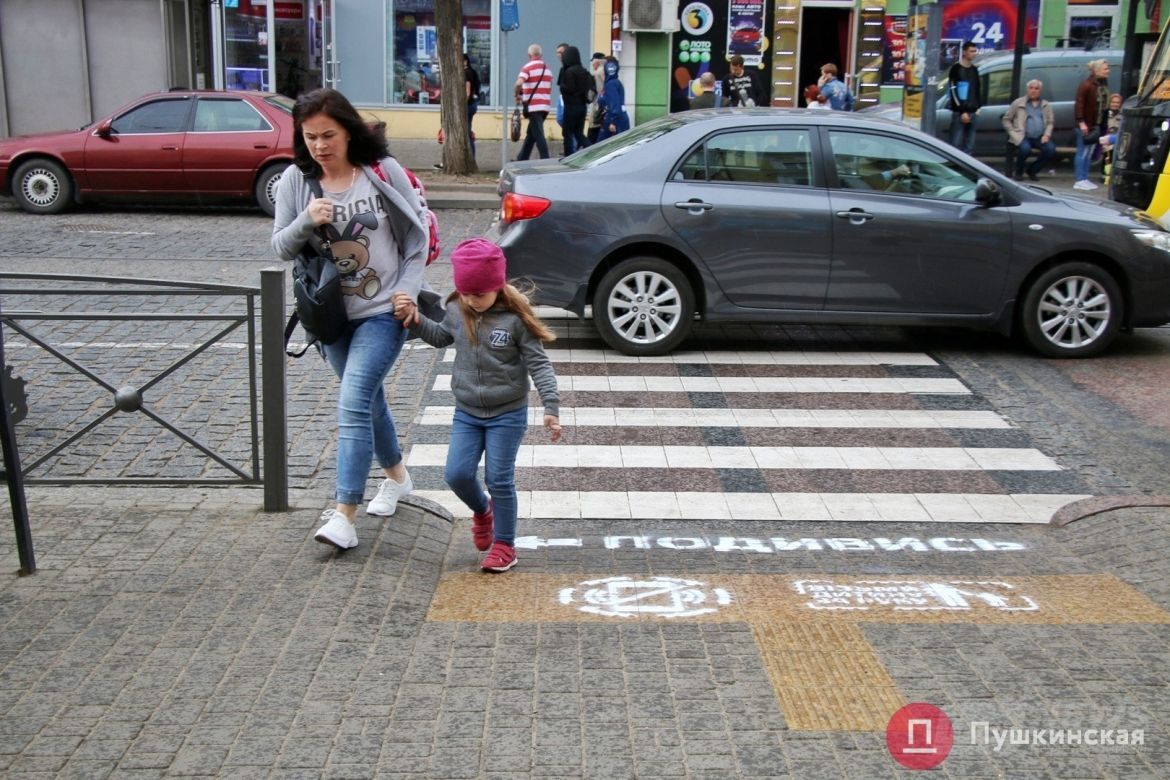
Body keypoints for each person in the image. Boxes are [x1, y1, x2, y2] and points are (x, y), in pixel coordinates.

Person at [271, 88, 430, 551]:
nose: (320, 145)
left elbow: (417, 239)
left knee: (354, 400)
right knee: (368, 401)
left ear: (348, 131)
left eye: (329, 135)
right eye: (310, 137)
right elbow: (280, 246)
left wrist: (408, 290)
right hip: (331, 319)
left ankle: (344, 514)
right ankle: (398, 478)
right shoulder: (296, 181)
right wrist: (306, 220)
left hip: (383, 312)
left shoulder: (381, 171)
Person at [391, 239, 561, 573]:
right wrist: (415, 320)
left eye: (479, 295)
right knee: (456, 474)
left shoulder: (515, 319)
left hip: (507, 413)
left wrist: (551, 408)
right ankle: (483, 510)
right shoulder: (458, 308)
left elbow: (539, 364)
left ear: (497, 286)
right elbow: (441, 337)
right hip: (467, 411)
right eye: (466, 293)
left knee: (499, 479)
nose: (472, 300)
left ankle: (505, 545)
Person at [1002, 79, 1055, 181]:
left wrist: (1047, 135)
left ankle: (1032, 170)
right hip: (1022, 135)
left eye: (1036, 88)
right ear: (1027, 89)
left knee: (1050, 150)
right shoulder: (1018, 103)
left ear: (1040, 90)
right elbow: (1006, 119)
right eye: (1031, 88)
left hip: (1040, 136)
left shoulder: (1046, 105)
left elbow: (1050, 122)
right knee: (1025, 149)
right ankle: (1019, 172)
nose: (1033, 91)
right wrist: (1013, 133)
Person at [1074, 58, 1111, 190]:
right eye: (1105, 69)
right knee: (1082, 152)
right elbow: (1079, 104)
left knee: (1089, 152)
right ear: (1096, 70)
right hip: (1086, 124)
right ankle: (1079, 179)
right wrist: (1081, 122)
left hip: (1096, 125)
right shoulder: (1087, 85)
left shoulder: (1102, 84)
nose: (1108, 71)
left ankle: (1085, 177)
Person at [514, 44, 553, 160]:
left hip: (533, 107)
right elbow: (548, 87)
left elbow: (518, 83)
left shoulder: (527, 68)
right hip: (545, 106)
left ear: (529, 55)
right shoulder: (547, 69)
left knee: (539, 135)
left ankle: (545, 159)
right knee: (531, 134)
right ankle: (522, 158)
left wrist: (517, 94)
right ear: (541, 55)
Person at [947, 41, 982, 154]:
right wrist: (962, 111)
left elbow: (977, 89)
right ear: (965, 52)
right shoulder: (956, 69)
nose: (974, 53)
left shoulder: (974, 70)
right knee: (955, 144)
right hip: (959, 112)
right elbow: (953, 91)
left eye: (975, 51)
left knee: (970, 145)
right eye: (971, 51)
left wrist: (978, 107)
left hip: (973, 111)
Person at [558, 46, 592, 154]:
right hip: (582, 106)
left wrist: (562, 87)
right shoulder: (584, 71)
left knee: (567, 133)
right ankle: (590, 149)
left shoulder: (569, 72)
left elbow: (570, 88)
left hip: (571, 106)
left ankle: (569, 155)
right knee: (579, 133)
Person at [597, 56, 630, 142]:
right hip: (617, 118)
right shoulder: (615, 82)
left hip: (614, 120)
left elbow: (614, 104)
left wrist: (613, 122)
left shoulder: (611, 84)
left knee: (601, 145)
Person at [587, 52, 607, 145]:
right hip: (607, 108)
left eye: (593, 61)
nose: (592, 64)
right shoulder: (608, 70)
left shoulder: (597, 73)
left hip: (598, 108)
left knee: (592, 135)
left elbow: (592, 94)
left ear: (597, 61)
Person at [464, 53, 480, 158]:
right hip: (472, 104)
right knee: (467, 131)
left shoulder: (466, 73)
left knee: (467, 133)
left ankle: (471, 157)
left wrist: (463, 105)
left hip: (468, 105)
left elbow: (467, 92)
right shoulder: (472, 71)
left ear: (465, 61)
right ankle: (471, 157)